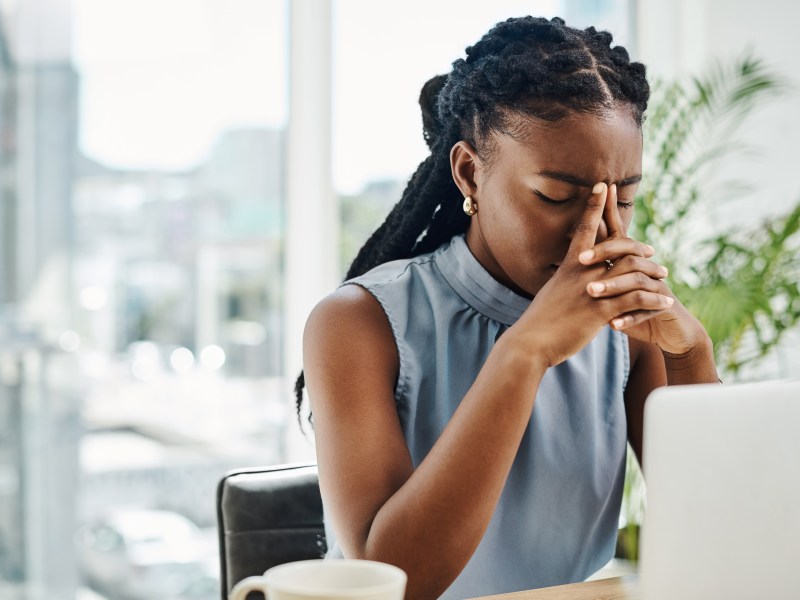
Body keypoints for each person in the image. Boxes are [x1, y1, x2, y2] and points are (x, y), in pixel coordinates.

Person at [298, 15, 718, 600]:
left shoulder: (627, 329)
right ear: (471, 173)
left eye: (624, 198)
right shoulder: (359, 323)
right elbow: (396, 581)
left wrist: (692, 352)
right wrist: (526, 350)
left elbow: (720, 527)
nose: (599, 232)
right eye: (556, 196)